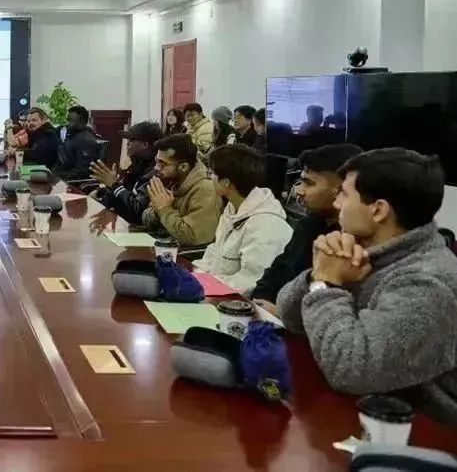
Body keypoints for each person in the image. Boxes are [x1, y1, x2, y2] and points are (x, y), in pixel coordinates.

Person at [277, 149, 457, 426]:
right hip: (352, 411)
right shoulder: (366, 249)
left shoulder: (428, 282)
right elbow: (289, 316)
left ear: (378, 210)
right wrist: (319, 273)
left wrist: (326, 284)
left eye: (344, 194)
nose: (336, 203)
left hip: (417, 433)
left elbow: (351, 369)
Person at [252, 144, 363, 312]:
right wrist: (257, 303)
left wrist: (281, 314)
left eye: (309, 183)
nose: (299, 191)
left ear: (342, 188)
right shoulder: (307, 225)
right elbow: (278, 270)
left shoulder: (355, 242)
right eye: (301, 181)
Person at [195, 144, 292, 293]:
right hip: (217, 290)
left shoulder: (266, 225)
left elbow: (250, 281)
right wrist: (193, 276)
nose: (209, 177)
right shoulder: (233, 208)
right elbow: (215, 253)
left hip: (240, 300)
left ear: (226, 182)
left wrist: (204, 287)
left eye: (212, 173)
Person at [141, 134, 222, 246]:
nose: (156, 168)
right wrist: (157, 211)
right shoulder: (170, 180)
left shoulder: (205, 189)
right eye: (156, 162)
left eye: (162, 164)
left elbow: (194, 238)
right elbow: (146, 217)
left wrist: (165, 209)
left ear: (183, 167)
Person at [89, 120, 163, 225]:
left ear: (145, 144)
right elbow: (121, 197)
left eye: (131, 140)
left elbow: (137, 212)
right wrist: (101, 193)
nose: (127, 144)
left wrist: (114, 185)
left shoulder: (155, 173)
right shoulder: (135, 167)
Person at [55, 105, 102, 181]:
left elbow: (82, 171)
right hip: (64, 178)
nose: (67, 124)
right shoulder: (72, 136)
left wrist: (58, 176)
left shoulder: (86, 140)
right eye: (67, 120)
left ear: (82, 122)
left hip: (75, 183)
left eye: (70, 121)